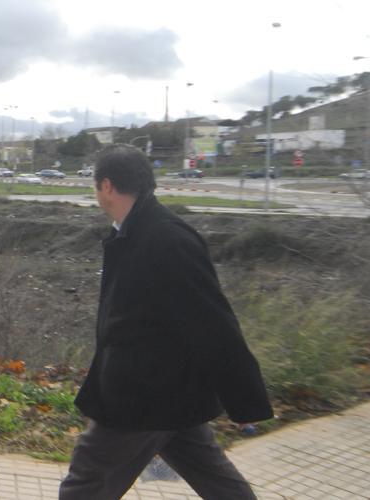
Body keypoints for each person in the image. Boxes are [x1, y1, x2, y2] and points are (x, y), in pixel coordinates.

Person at [60, 145, 274, 499]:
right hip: (173, 396)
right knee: (217, 481)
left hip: (141, 398)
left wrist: (245, 398)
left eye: (94, 185)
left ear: (108, 186)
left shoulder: (167, 239)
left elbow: (213, 321)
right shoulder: (133, 232)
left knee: (86, 483)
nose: (95, 192)